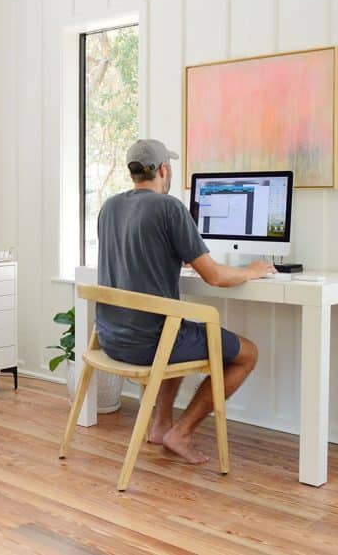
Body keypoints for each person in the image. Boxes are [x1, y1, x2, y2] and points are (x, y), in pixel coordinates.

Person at [96, 139, 273, 465]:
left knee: (178, 327)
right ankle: (182, 431)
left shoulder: (110, 207)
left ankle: (161, 426)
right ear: (164, 169)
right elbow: (215, 278)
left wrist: (179, 256)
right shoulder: (170, 207)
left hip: (111, 339)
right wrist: (251, 271)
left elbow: (136, 257)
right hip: (150, 343)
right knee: (247, 354)